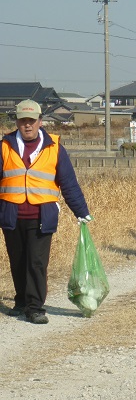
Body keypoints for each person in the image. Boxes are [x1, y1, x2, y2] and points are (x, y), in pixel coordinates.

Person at [1, 100, 91, 325]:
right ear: (17, 123)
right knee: (18, 261)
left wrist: (81, 211)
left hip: (42, 216)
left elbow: (68, 183)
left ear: (41, 122)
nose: (27, 125)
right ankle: (21, 301)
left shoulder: (55, 147)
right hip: (12, 215)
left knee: (37, 263)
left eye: (32, 121)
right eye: (23, 121)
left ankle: (34, 307)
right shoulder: (4, 146)